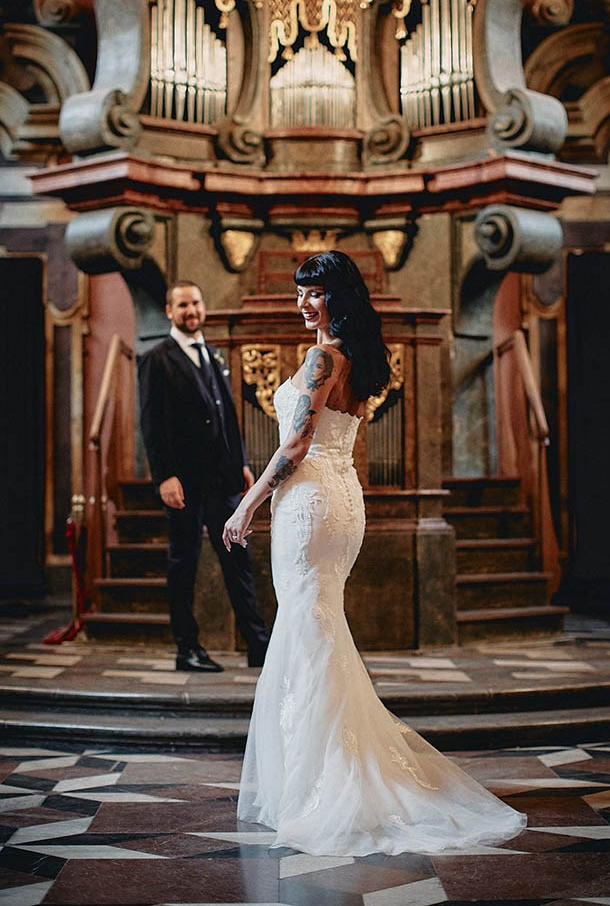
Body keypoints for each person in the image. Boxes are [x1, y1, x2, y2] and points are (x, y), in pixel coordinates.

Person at [223, 251, 526, 856]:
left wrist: (248, 503)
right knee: (318, 626)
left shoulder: (321, 358)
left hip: (309, 501)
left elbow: (299, 443)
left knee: (309, 630)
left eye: (313, 293)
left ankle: (326, 783)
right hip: (341, 498)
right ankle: (323, 772)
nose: (303, 304)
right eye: (299, 293)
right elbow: (337, 442)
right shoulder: (360, 360)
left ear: (338, 296)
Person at [138, 280, 269, 672]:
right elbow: (151, 424)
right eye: (182, 305)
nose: (190, 310)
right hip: (184, 483)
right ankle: (187, 648)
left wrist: (241, 462)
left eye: (195, 302)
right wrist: (164, 476)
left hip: (223, 480)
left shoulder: (213, 355)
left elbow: (227, 415)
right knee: (185, 564)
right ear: (169, 311)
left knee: (238, 563)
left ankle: (258, 645)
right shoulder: (156, 358)